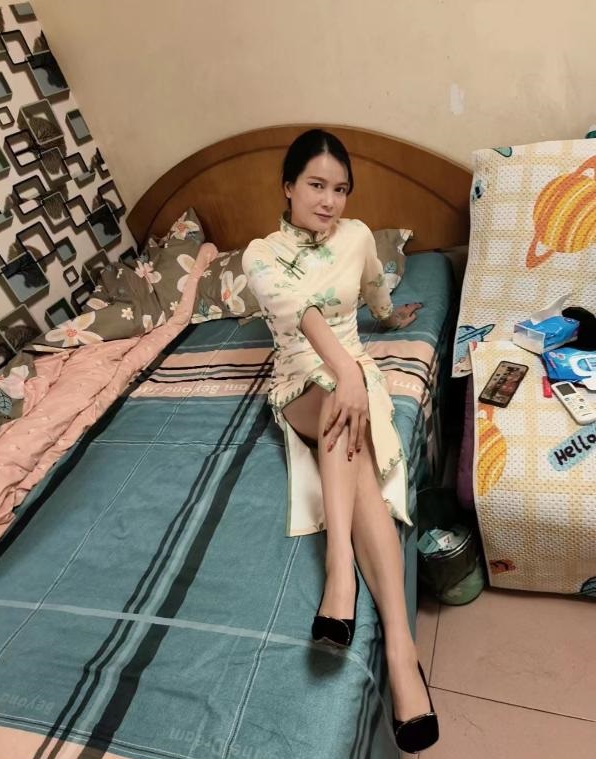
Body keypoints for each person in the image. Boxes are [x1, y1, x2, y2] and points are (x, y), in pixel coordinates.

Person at [242, 129, 439, 754]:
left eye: (340, 189)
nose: (329, 201)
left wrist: (387, 318)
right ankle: (343, 577)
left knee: (355, 455)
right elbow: (300, 313)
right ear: (288, 187)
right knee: (334, 400)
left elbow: (375, 286)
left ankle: (393, 647)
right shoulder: (261, 253)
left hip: (353, 375)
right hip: (302, 380)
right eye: (316, 185)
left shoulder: (356, 236)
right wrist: (347, 374)